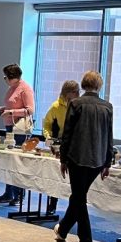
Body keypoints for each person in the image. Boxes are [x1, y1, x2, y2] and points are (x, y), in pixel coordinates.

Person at [54, 71, 115, 242]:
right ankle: (63, 230)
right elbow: (109, 136)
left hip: (77, 157)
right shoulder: (108, 107)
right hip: (97, 159)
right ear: (99, 86)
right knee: (78, 196)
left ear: (83, 84)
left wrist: (63, 158)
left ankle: (86, 240)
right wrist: (107, 162)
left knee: (79, 197)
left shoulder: (76, 104)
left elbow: (68, 134)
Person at [0, 63, 35, 205]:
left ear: (12, 77)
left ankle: (19, 195)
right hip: (10, 127)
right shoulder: (12, 88)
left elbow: (30, 110)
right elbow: (10, 106)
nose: (4, 79)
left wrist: (11, 112)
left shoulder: (25, 89)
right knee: (9, 161)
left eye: (5, 77)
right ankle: (9, 192)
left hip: (20, 130)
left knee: (17, 162)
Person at [41, 79, 80, 216]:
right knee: (56, 175)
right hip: (61, 143)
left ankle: (74, 207)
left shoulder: (80, 106)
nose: (69, 97)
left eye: (72, 94)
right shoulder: (56, 106)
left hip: (76, 145)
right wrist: (48, 136)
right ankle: (52, 203)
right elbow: (46, 124)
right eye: (67, 94)